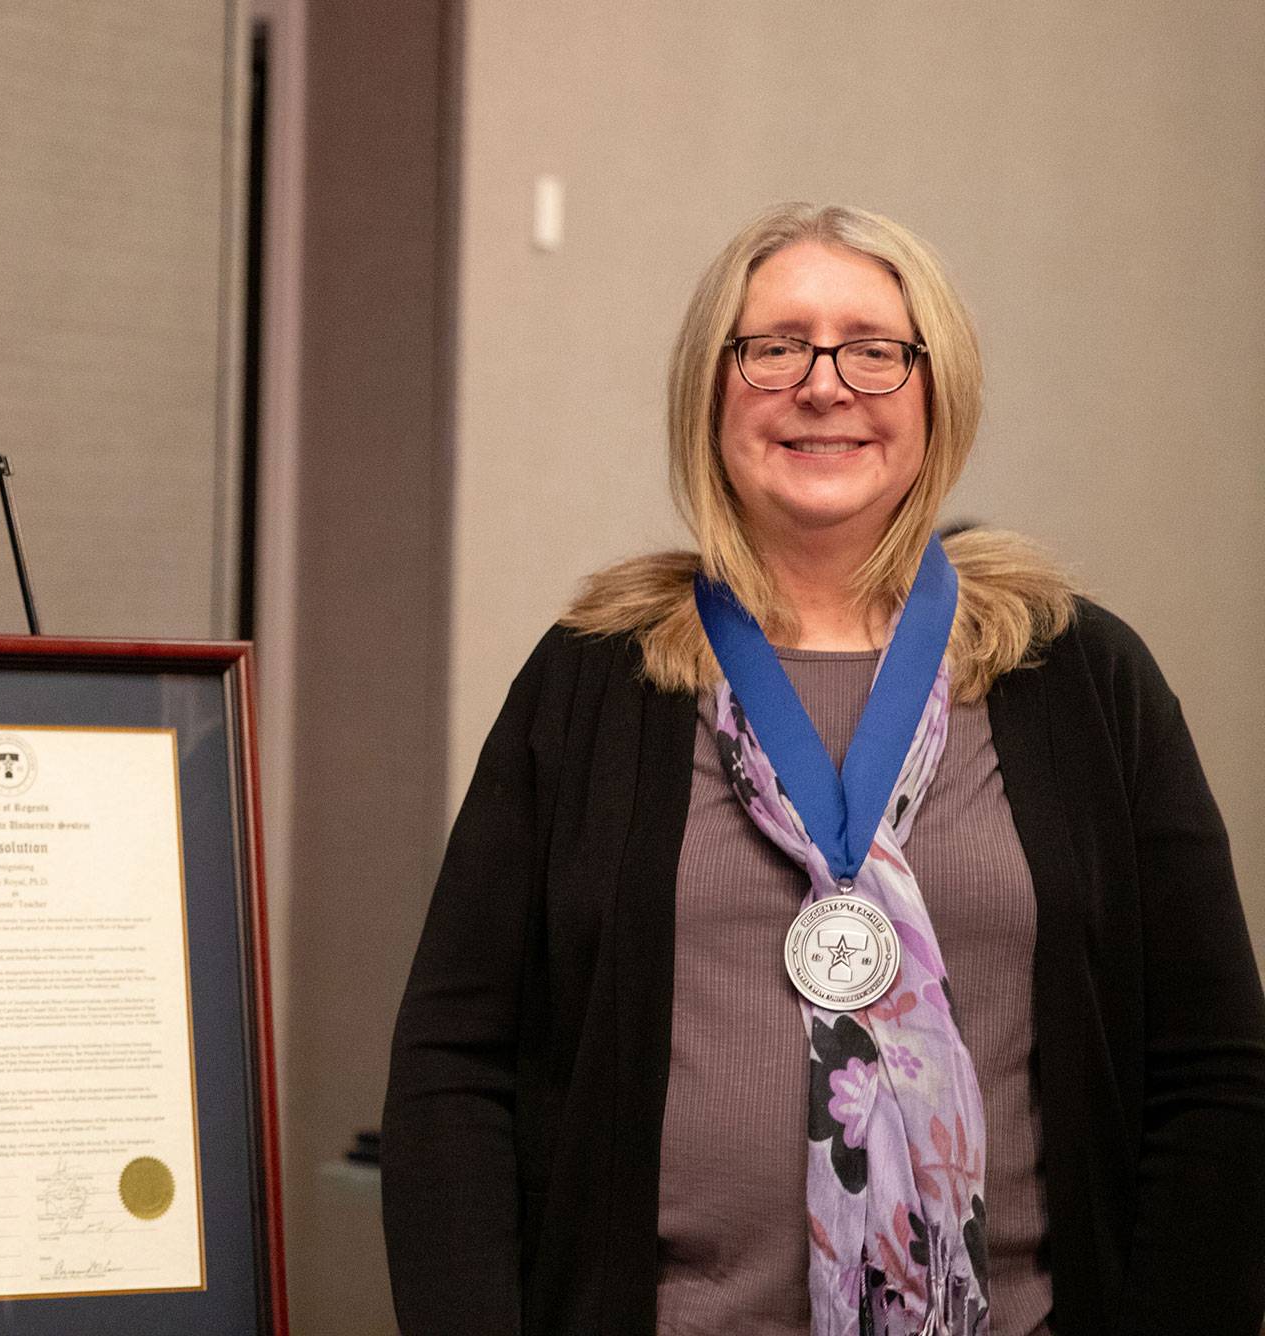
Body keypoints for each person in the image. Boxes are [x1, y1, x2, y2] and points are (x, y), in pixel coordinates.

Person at [380, 202, 1265, 1335]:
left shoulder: (1080, 675)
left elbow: (1212, 1078)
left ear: (936, 394)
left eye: (873, 349)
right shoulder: (591, 679)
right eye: (775, 346)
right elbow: (454, 1064)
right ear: (713, 390)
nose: (824, 383)